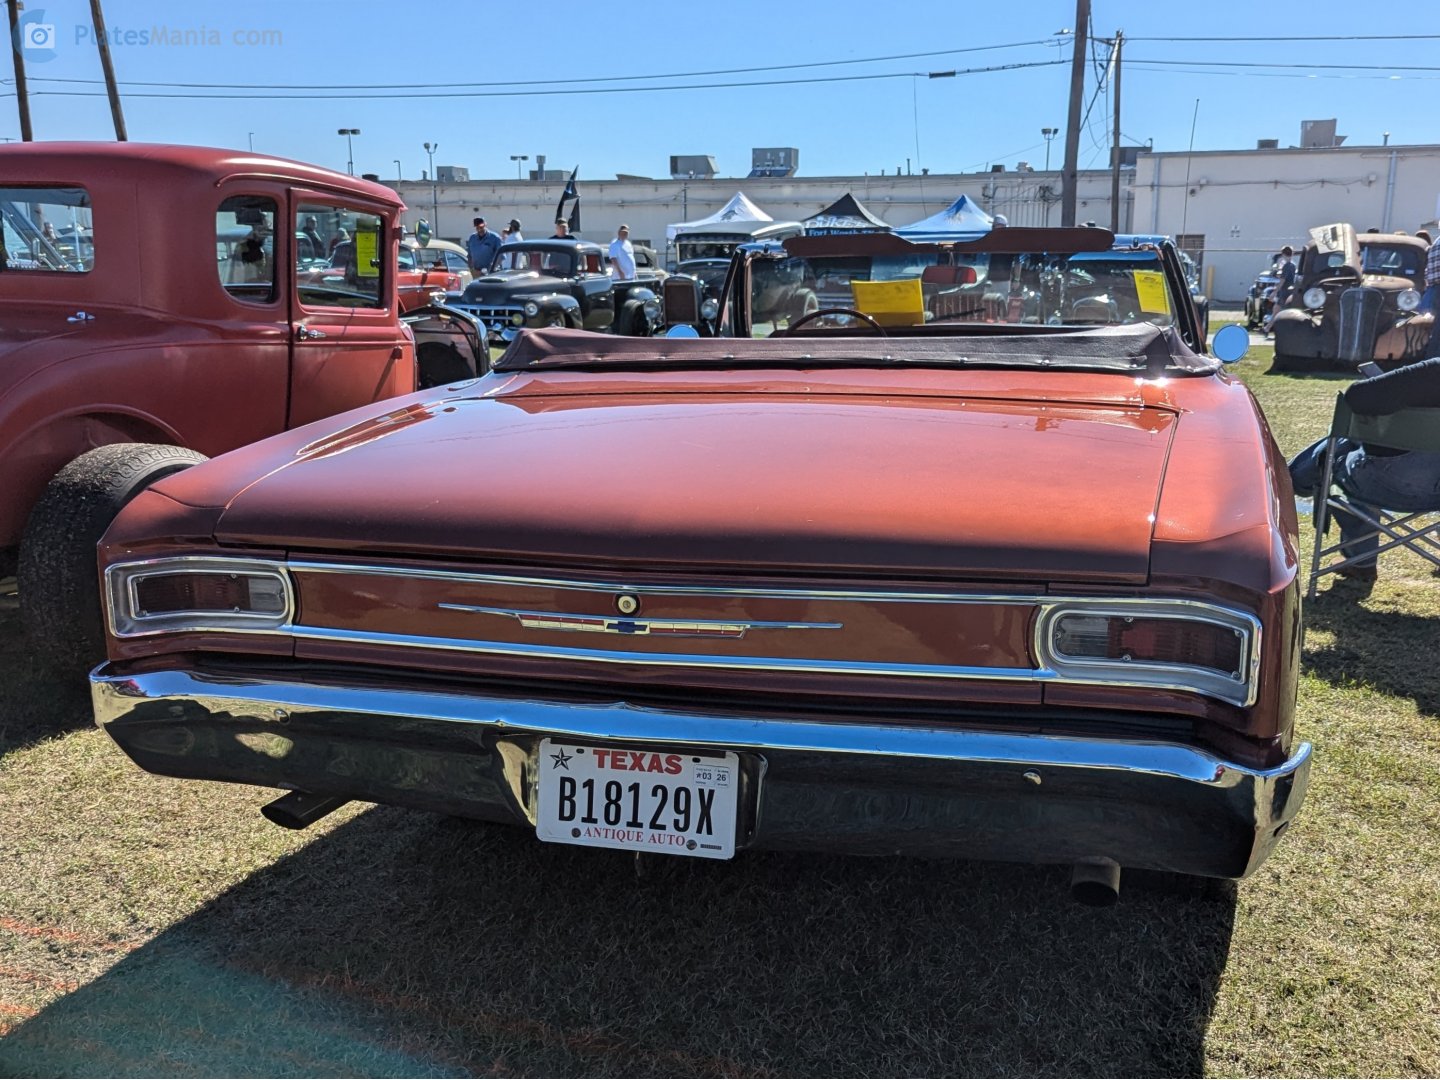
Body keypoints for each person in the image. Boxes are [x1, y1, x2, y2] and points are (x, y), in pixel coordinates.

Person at [1288, 356, 1440, 583]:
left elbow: (1356, 397)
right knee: (1355, 443)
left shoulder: (1433, 372)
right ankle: (1295, 477)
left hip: (1386, 484)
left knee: (1348, 444)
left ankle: (1294, 479)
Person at [1265, 245, 1296, 333]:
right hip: (1290, 290)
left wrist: (1274, 292)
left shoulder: (1287, 266)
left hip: (1285, 291)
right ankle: (1267, 327)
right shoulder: (1293, 265)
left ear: (1283, 254)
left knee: (1277, 310)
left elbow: (1283, 280)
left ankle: (1268, 328)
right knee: (1276, 309)